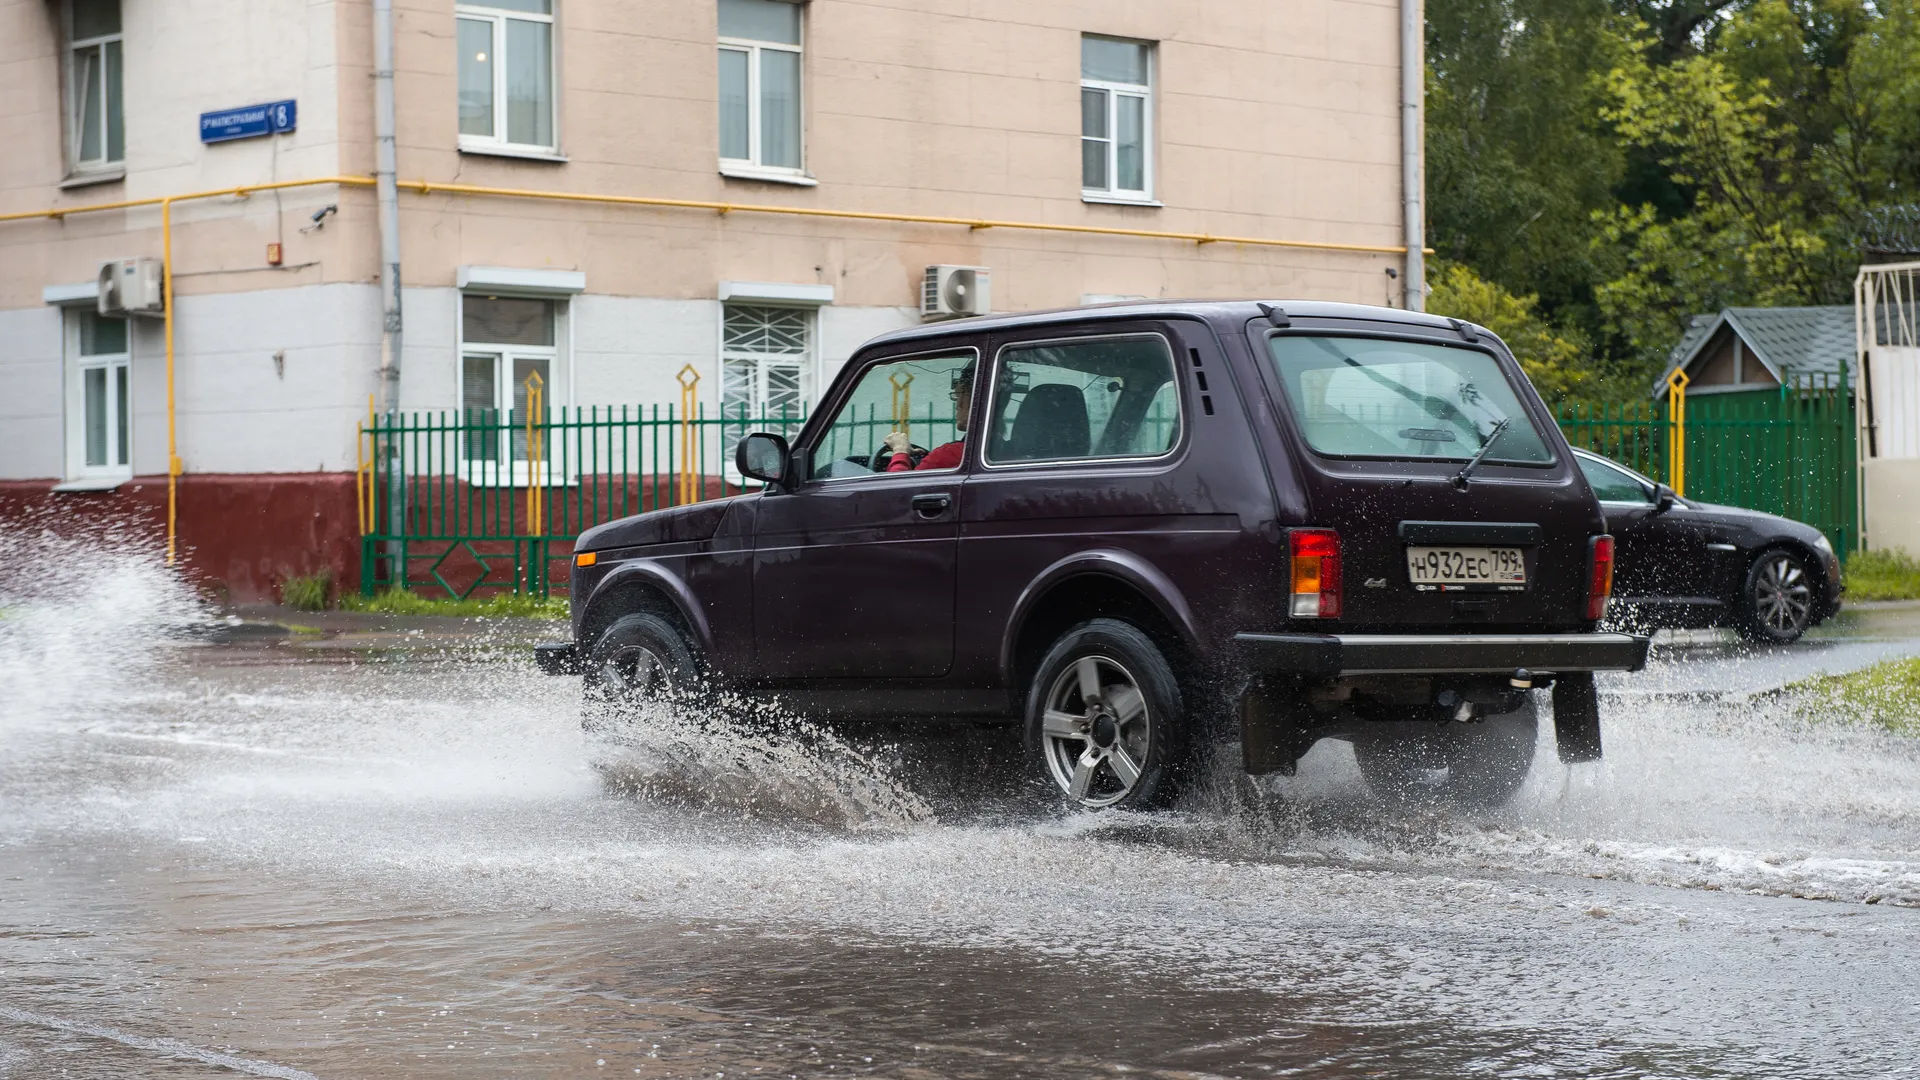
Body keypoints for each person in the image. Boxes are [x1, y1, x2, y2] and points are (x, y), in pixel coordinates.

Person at [880, 363, 971, 471]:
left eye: (959, 395)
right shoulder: (982, 452)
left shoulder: (954, 455)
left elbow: (896, 486)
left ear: (973, 397)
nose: (957, 404)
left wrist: (900, 451)